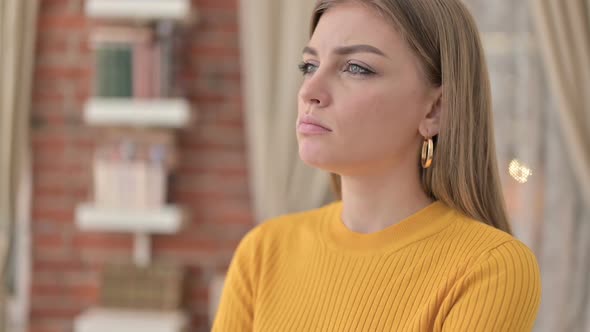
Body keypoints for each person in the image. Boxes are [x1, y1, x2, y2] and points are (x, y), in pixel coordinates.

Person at [212, 0, 542, 331]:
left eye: (356, 68)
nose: (309, 91)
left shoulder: (491, 267)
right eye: (309, 66)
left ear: (435, 110)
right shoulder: (264, 251)